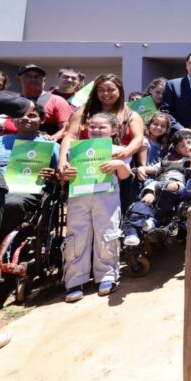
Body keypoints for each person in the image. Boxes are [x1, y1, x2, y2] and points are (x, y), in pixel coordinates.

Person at [61, 112, 131, 302]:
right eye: (92, 126)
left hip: (106, 198)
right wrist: (66, 173)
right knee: (77, 235)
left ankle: (107, 276)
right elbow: (64, 175)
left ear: (114, 130)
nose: (96, 130)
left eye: (102, 127)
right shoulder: (75, 150)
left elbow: (125, 176)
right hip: (79, 197)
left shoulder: (118, 150)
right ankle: (75, 280)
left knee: (106, 233)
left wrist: (118, 164)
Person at [58, 74, 145, 209]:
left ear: (120, 91)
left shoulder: (131, 115)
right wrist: (62, 161)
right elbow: (70, 136)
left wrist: (125, 153)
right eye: (101, 89)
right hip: (85, 166)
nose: (106, 93)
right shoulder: (83, 112)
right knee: (83, 213)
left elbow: (138, 138)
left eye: (110, 89)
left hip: (118, 168)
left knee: (114, 212)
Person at [124, 129, 191, 246]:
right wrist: (142, 168)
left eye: (189, 142)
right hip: (159, 182)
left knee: (170, 186)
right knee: (148, 197)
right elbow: (154, 169)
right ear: (176, 149)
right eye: (182, 145)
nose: (187, 146)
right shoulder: (167, 159)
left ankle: (154, 219)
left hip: (179, 184)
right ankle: (132, 231)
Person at [0, 103, 60, 244]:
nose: (25, 119)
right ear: (12, 120)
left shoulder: (51, 145)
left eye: (32, 116)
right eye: (20, 115)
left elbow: (63, 177)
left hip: (25, 191)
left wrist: (53, 175)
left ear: (42, 120)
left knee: (13, 203)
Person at [16, 64, 73, 141]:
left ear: (44, 81)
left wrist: (52, 139)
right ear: (18, 80)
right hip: (12, 149)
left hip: (43, 149)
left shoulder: (57, 101)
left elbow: (66, 129)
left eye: (38, 76)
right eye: (28, 76)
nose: (33, 79)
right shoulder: (13, 101)